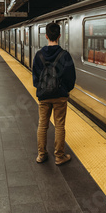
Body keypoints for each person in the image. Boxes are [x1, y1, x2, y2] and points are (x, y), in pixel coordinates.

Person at [32, 22, 76, 165]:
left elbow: (35, 78)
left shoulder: (38, 55)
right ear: (59, 36)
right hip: (60, 96)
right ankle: (59, 156)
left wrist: (41, 88)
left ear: (46, 36)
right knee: (59, 125)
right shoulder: (65, 55)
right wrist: (65, 90)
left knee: (42, 125)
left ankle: (41, 154)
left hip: (44, 96)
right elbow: (71, 77)